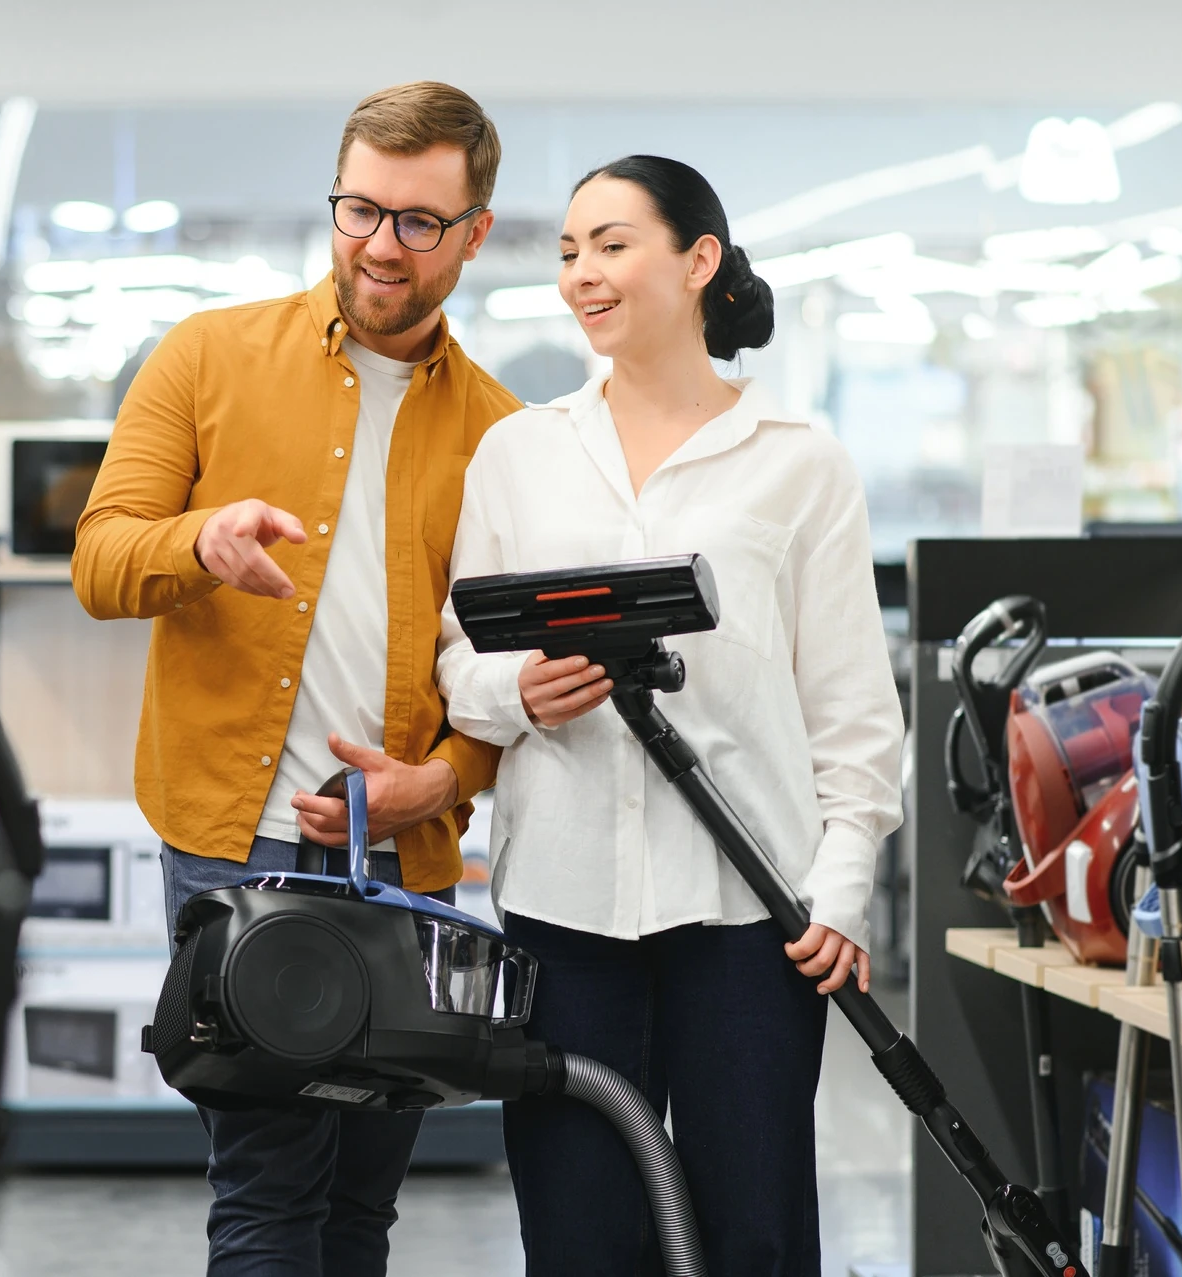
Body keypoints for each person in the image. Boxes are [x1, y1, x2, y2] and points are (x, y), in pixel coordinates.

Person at [73, 82, 521, 1276]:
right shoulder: (208, 355)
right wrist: (199, 541)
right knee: (268, 1193)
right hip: (236, 844)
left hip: (400, 863)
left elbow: (501, 673)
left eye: (419, 221)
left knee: (364, 1204)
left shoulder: (504, 434)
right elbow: (101, 560)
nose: (381, 244)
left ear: (475, 231)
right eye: (359, 208)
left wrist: (446, 779)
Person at [435, 156, 905, 1275]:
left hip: (748, 913)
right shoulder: (519, 452)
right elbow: (462, 660)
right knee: (580, 1231)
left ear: (699, 261)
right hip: (562, 908)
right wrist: (517, 692)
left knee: (755, 1229)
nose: (582, 274)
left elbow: (852, 713)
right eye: (567, 252)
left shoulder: (798, 463)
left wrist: (839, 892)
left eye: (611, 244)